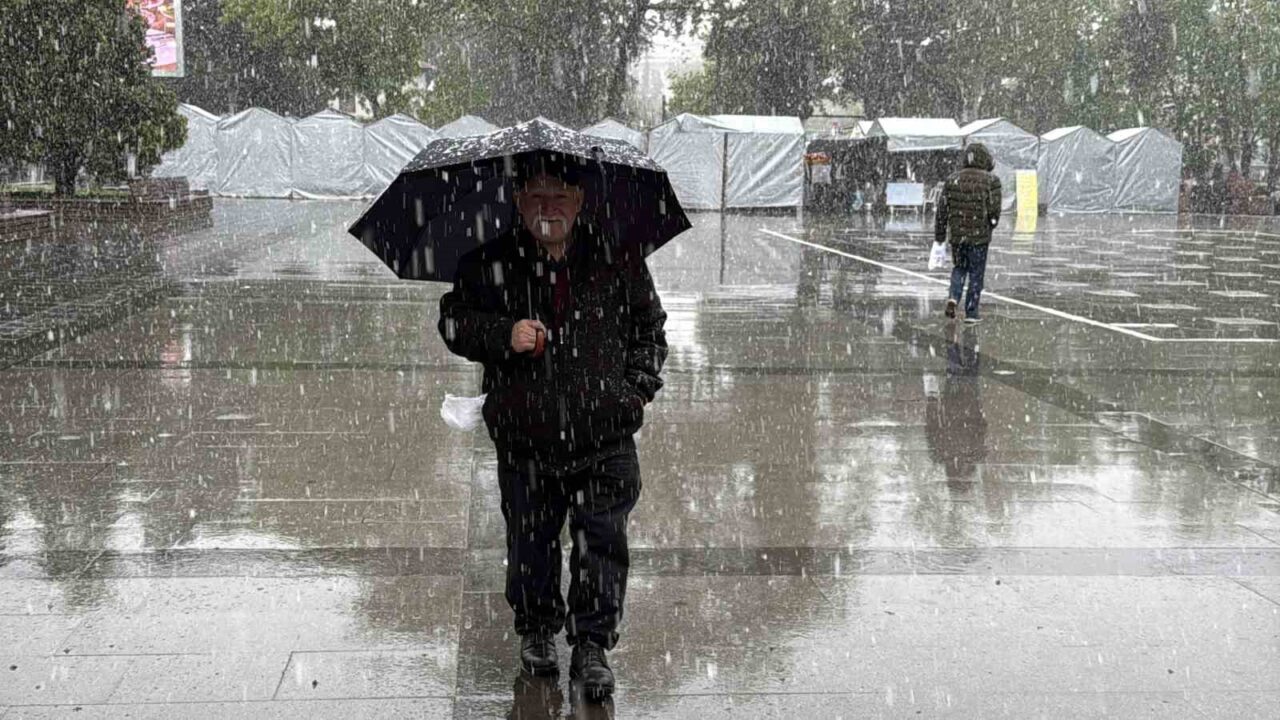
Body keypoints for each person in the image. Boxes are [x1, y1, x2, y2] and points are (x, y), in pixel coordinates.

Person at [437, 158, 667, 701]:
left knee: (602, 544)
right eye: (536, 197)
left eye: (560, 197)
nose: (549, 209)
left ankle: (592, 644)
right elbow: (452, 321)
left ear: (581, 201)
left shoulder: (618, 256)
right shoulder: (490, 261)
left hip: (604, 435)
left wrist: (632, 392)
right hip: (526, 432)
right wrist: (503, 332)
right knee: (530, 542)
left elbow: (649, 331)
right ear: (517, 202)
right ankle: (536, 631)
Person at [934, 143, 1002, 323]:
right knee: (976, 274)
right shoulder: (991, 181)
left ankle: (953, 297)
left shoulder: (952, 180)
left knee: (959, 268)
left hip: (957, 236)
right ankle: (971, 312)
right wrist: (989, 225)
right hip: (979, 237)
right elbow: (995, 211)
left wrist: (940, 236)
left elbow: (942, 211)